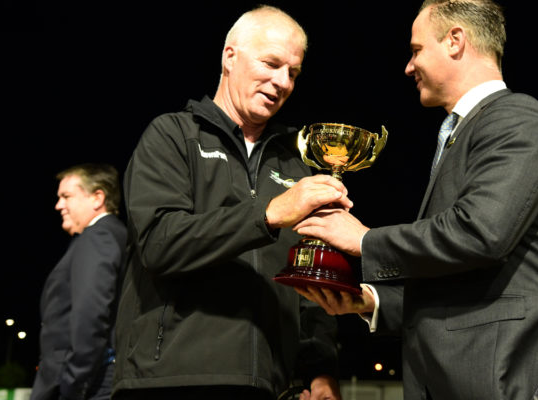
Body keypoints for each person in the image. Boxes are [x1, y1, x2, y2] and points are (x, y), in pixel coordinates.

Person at [293, 0, 538, 399]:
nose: (408, 66)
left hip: (514, 374)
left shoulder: (517, 118)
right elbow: (460, 278)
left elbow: (480, 232)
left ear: (455, 41)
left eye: (416, 49)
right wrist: (370, 301)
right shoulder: (463, 131)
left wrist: (365, 240)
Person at [112, 5, 349, 400]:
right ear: (229, 56)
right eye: (271, 63)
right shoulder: (172, 136)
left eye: (293, 72)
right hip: (169, 381)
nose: (282, 82)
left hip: (269, 386)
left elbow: (308, 284)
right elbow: (159, 243)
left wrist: (320, 370)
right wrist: (269, 214)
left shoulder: (297, 161)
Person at [31, 163, 127, 400]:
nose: (58, 205)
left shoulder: (99, 236)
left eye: (66, 196)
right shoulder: (113, 235)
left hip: (88, 384)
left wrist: (73, 384)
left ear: (97, 198)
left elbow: (91, 314)